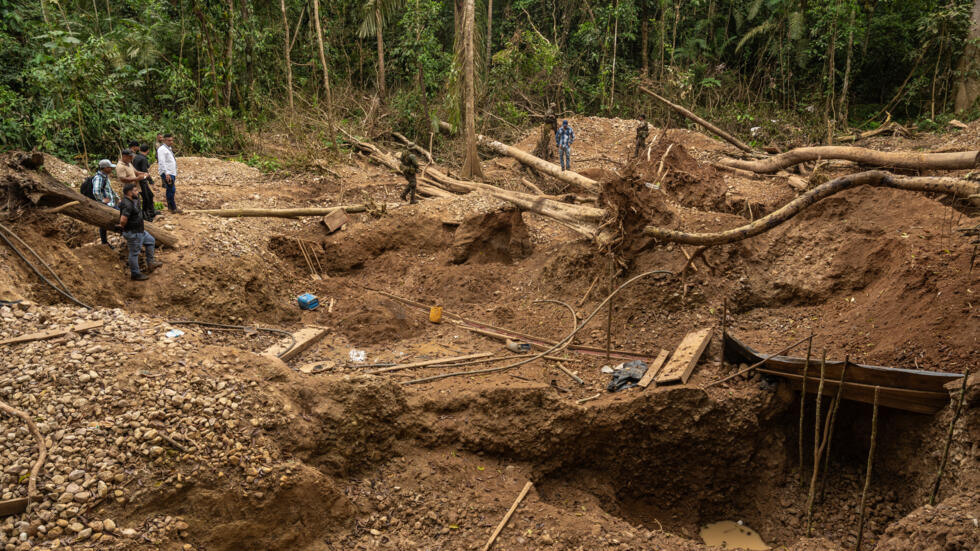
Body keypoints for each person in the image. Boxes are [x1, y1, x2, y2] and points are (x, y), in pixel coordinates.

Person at [117, 183, 161, 281]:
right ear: (129, 192)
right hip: (134, 233)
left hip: (140, 231)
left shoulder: (133, 200)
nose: (138, 192)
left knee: (151, 241)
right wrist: (123, 226)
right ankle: (135, 274)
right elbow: (123, 220)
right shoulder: (127, 204)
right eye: (135, 190)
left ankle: (151, 262)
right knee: (134, 253)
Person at [92, 159, 119, 246]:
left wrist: (117, 198)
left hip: (110, 203)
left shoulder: (105, 177)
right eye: (109, 167)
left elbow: (110, 190)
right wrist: (102, 200)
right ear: (104, 168)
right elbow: (96, 191)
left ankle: (104, 241)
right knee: (105, 222)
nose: (111, 169)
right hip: (106, 205)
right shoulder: (98, 178)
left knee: (104, 223)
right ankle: (104, 242)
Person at [132, 143, 155, 221]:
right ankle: (146, 215)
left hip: (138, 180)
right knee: (146, 198)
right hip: (142, 181)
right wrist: (151, 181)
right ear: (148, 150)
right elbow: (145, 171)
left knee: (150, 196)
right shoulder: (143, 159)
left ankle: (151, 212)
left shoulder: (136, 157)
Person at [157, 133, 178, 213]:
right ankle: (172, 207)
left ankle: (171, 207)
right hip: (167, 172)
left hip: (171, 172)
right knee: (171, 189)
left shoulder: (168, 148)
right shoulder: (162, 149)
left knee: (170, 189)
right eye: (169, 140)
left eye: (172, 140)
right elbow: (161, 162)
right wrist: (166, 174)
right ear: (164, 140)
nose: (171, 142)